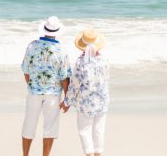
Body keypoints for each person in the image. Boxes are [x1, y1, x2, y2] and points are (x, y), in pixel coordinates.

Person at [21, 16, 72, 156]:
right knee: (50, 128)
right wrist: (66, 100)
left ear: (44, 30)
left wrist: (33, 86)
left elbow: (25, 70)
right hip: (53, 95)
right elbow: (65, 78)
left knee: (29, 125)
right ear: (57, 32)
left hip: (33, 92)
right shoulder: (61, 51)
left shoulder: (32, 45)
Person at [61, 28, 110, 156]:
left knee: (84, 130)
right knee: (99, 130)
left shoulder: (81, 62)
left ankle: (88, 154)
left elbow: (75, 85)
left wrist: (66, 102)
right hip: (102, 100)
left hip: (85, 103)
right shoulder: (104, 60)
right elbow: (106, 79)